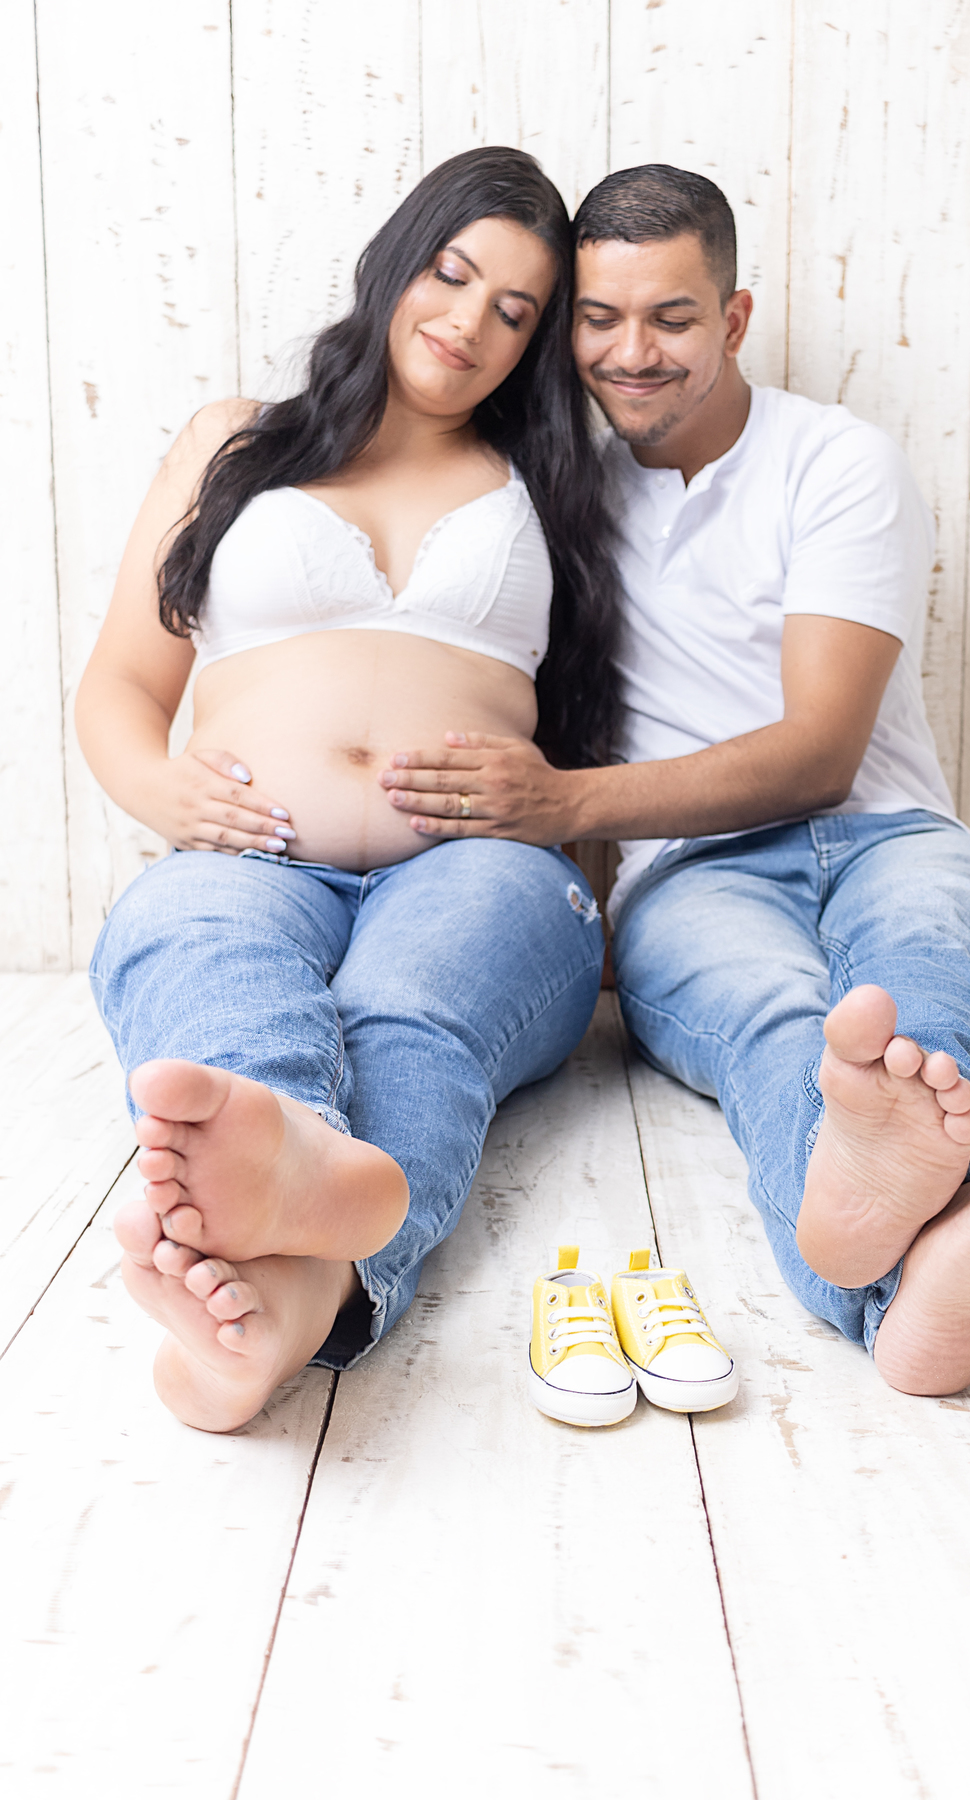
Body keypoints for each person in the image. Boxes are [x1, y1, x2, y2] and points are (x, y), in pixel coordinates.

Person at [379, 163, 970, 1397]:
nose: (631, 353)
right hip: (691, 878)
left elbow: (820, 753)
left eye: (672, 319)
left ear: (733, 319)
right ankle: (933, 1284)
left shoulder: (836, 464)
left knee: (927, 983)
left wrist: (564, 803)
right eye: (598, 318)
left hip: (892, 831)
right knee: (781, 1027)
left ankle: (896, 1256)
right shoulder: (553, 494)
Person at [77, 148, 621, 1432]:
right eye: (454, 272)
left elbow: (604, 712)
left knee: (409, 1014)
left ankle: (293, 1217)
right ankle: (296, 1296)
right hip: (249, 854)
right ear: (397, 259)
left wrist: (569, 818)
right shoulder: (235, 443)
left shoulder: (552, 477)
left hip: (482, 867)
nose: (471, 322)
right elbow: (115, 686)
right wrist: (165, 795)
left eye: (517, 311)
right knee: (191, 942)